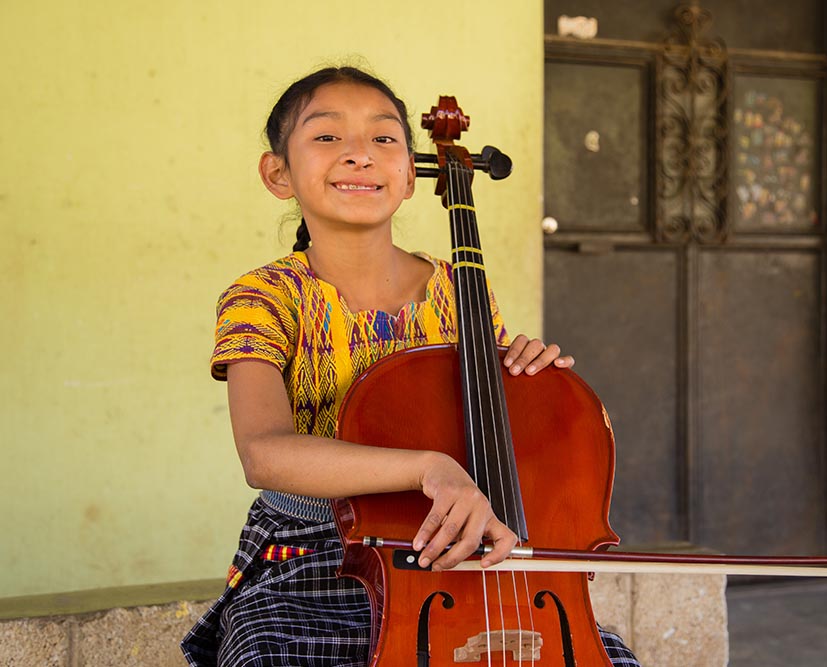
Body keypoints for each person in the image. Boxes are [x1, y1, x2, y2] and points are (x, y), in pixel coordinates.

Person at [181, 66, 640, 667]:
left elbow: (502, 441)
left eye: (384, 139)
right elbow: (263, 454)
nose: (359, 156)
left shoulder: (461, 289)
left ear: (411, 175)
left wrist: (532, 380)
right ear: (278, 174)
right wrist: (427, 468)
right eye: (326, 137)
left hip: (468, 551)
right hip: (318, 557)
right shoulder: (264, 297)